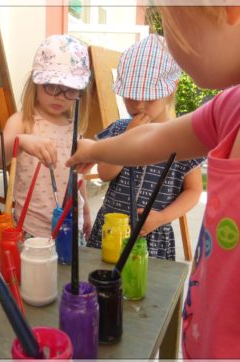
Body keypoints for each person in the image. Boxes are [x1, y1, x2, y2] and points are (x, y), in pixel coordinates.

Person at [66, 5, 240, 360]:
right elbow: (152, 142)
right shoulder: (229, 109)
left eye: (170, 26)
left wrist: (160, 217)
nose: (168, 42)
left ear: (228, 11)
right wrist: (97, 148)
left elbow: (189, 186)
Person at [88, 34, 204, 261]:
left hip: (152, 235)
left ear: (171, 89)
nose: (138, 105)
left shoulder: (183, 138)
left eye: (149, 98)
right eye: (130, 97)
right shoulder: (119, 129)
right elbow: (104, 174)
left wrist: (162, 217)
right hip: (110, 229)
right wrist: (126, 140)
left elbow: (193, 190)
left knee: (145, 292)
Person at [0, 34, 92, 241]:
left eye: (70, 90)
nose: (61, 96)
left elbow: (78, 177)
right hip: (31, 228)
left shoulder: (74, 127)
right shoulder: (23, 121)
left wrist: (87, 209)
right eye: (51, 86)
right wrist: (21, 141)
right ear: (35, 83)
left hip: (70, 227)